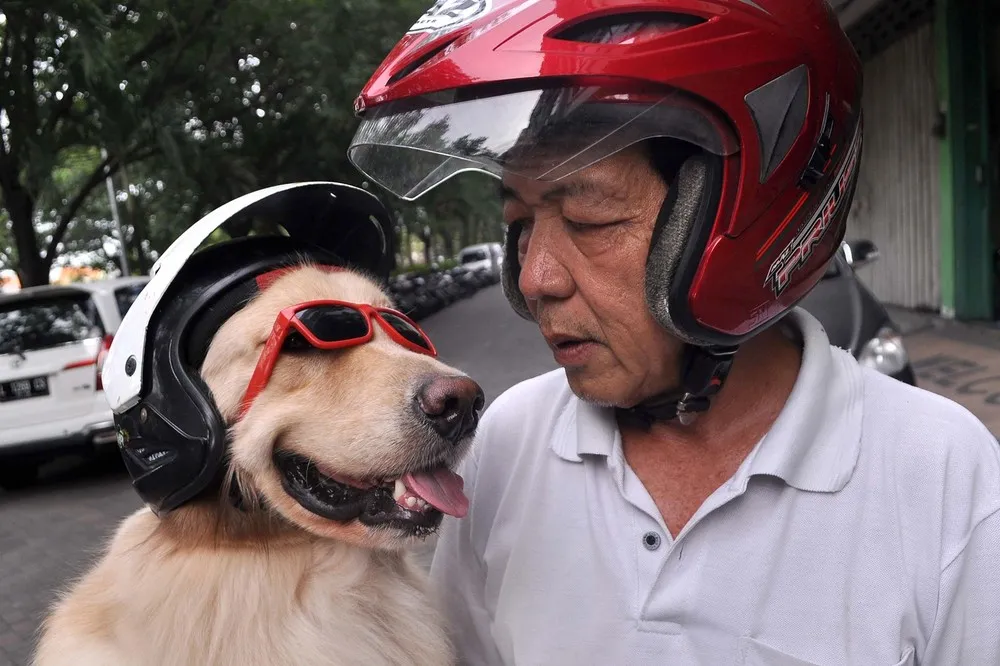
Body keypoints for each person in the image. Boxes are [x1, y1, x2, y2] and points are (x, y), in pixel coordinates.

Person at [347, 0, 1000, 663]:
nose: (536, 278)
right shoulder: (509, 444)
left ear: (740, 217)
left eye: (591, 219)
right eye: (521, 225)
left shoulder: (940, 472)